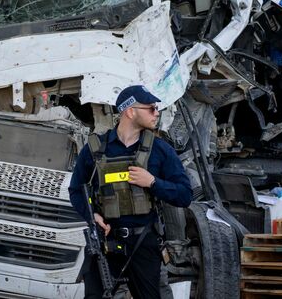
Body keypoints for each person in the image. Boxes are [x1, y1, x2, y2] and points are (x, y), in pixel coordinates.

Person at [68, 85, 192, 298]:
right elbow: (76, 191)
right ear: (130, 111)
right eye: (151, 108)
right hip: (106, 243)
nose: (157, 113)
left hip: (143, 243)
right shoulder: (96, 149)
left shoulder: (161, 150)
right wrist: (93, 216)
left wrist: (153, 182)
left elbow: (185, 195)